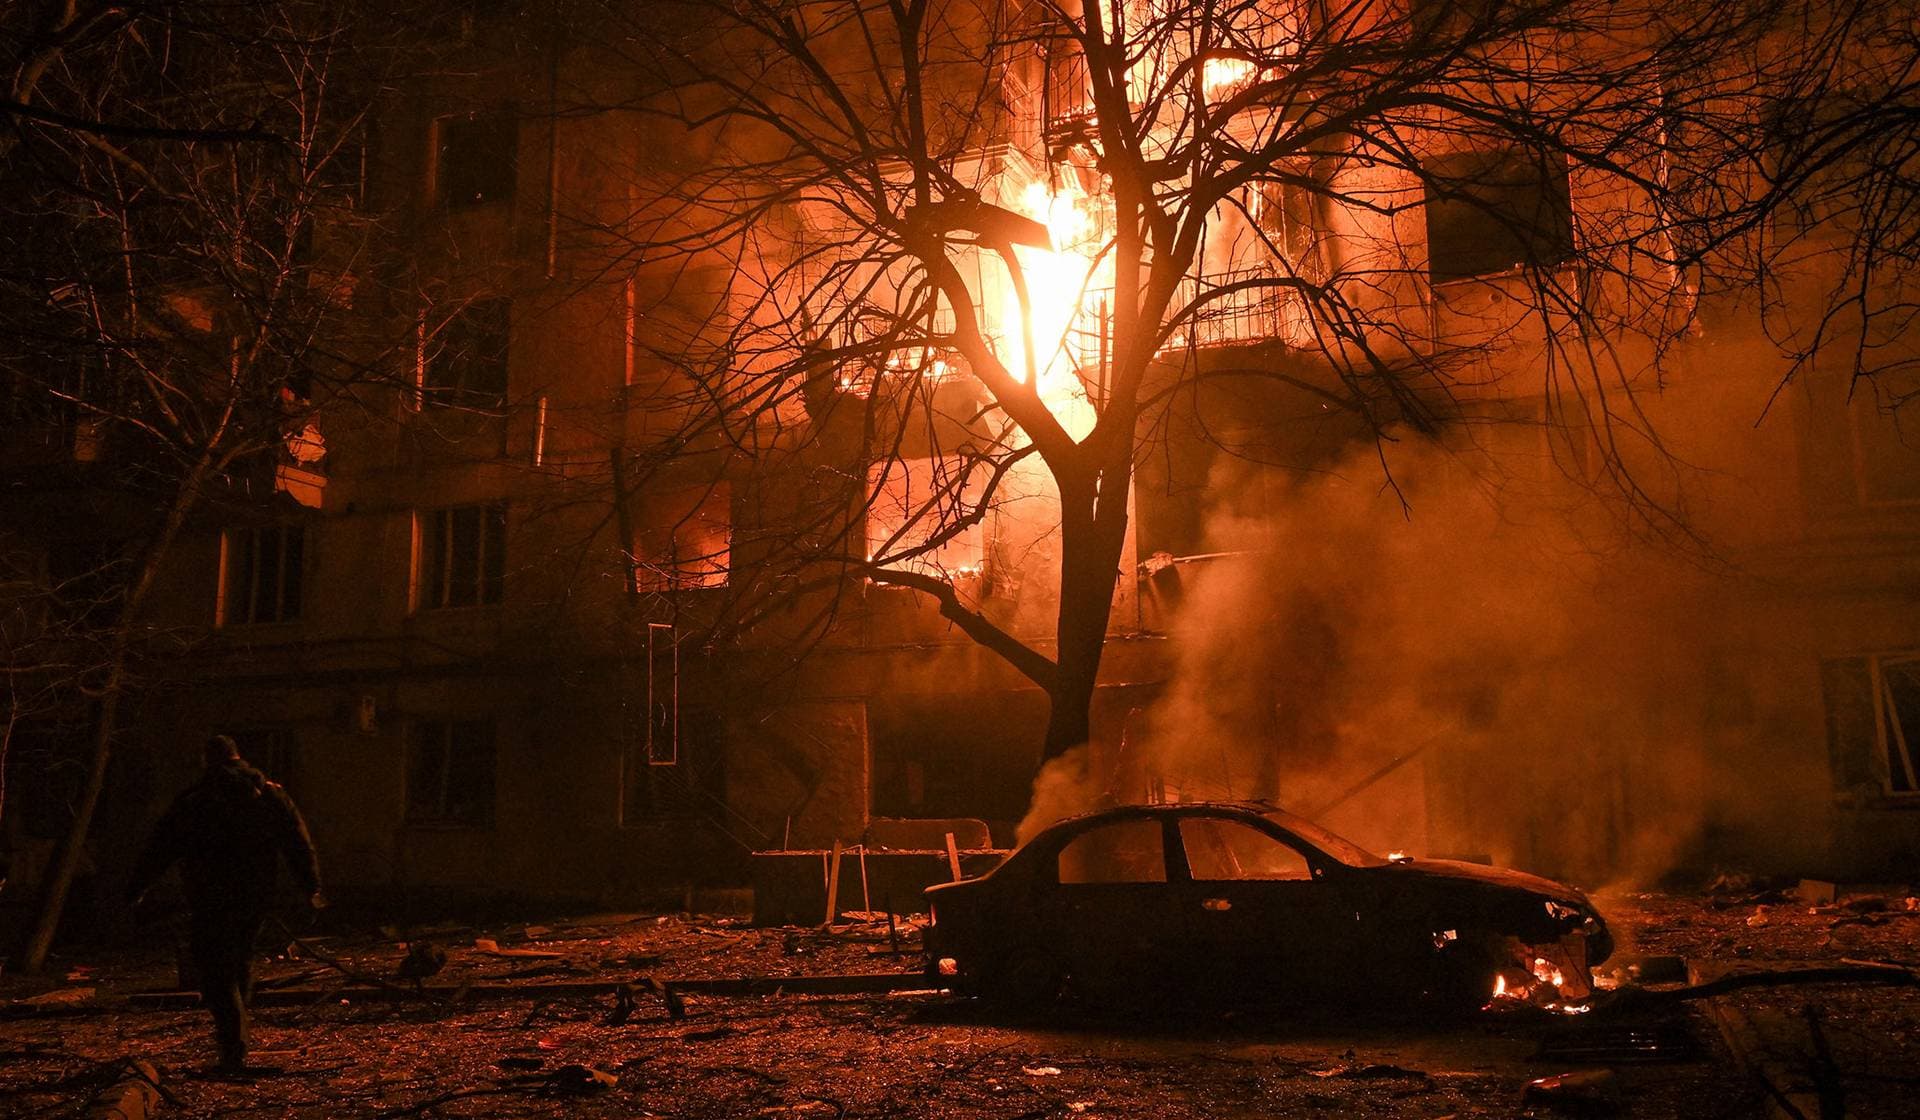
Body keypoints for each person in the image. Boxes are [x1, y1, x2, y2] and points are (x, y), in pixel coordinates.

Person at [127, 735, 323, 1073]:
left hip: (210, 895)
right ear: (238, 757)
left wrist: (137, 888)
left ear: (206, 760)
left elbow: (161, 846)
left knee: (214, 968)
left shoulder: (195, 799)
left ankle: (232, 1046)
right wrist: (311, 887)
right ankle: (236, 1043)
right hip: (255, 894)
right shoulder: (268, 794)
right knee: (240, 958)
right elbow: (298, 842)